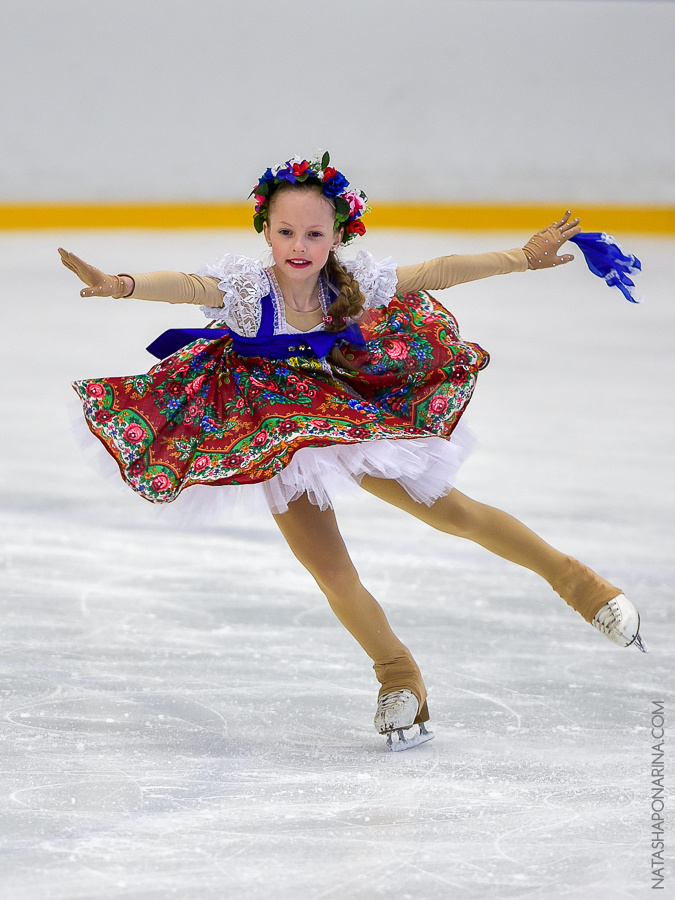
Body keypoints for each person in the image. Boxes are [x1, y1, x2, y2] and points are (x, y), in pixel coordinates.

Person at [59, 153, 646, 752]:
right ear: (265, 230)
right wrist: (122, 286)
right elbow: (187, 287)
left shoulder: (350, 285)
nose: (299, 245)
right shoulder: (246, 289)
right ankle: (397, 674)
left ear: (339, 233)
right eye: (285, 231)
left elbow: (438, 270)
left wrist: (521, 258)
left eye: (315, 233)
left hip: (347, 406)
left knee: (450, 511)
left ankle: (580, 585)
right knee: (331, 572)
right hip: (276, 431)